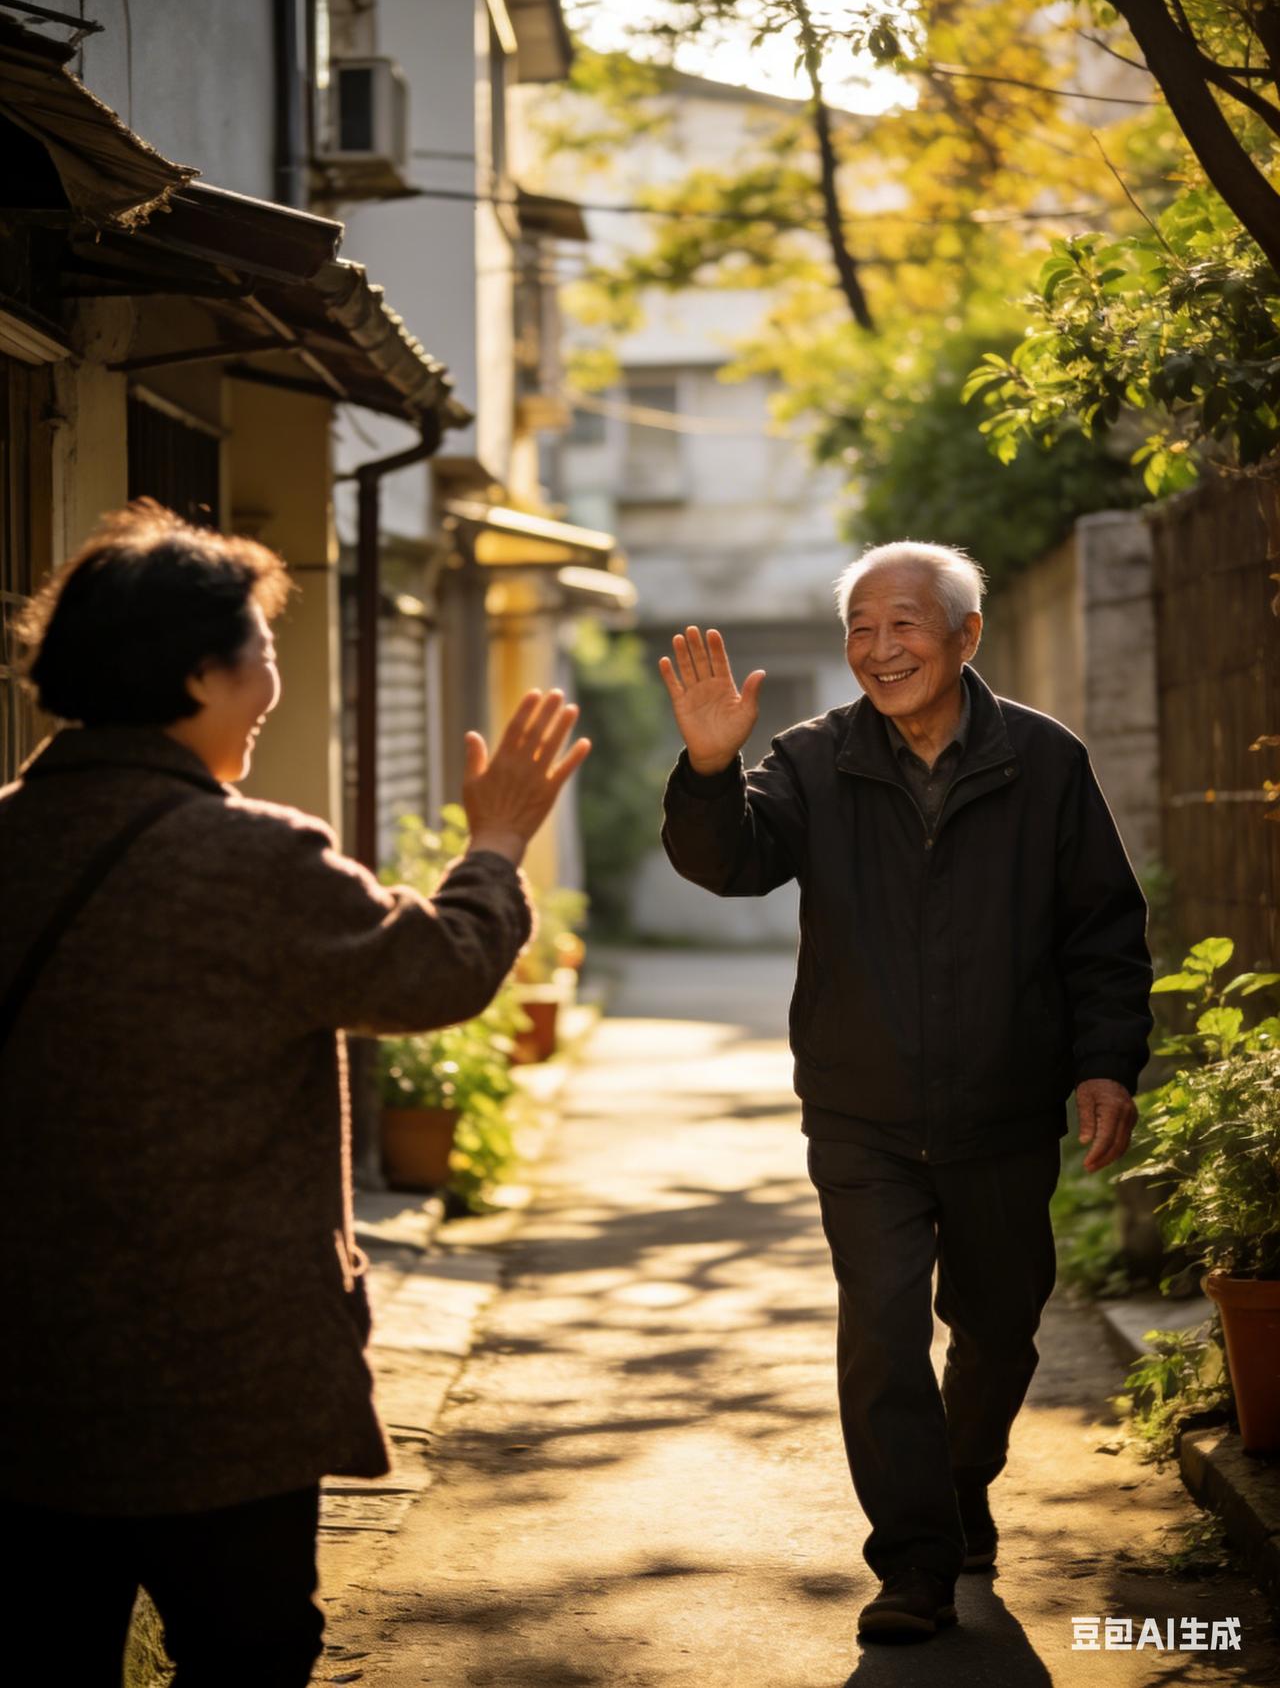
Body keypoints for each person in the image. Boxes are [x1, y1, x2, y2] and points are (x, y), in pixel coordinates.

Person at [0, 501, 589, 1686]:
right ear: (199, 672)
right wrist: (496, 844)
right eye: (262, 646)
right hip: (220, 1376)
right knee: (246, 1652)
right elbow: (438, 969)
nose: (275, 675)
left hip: (23, 1369)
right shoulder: (253, 856)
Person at [658, 541, 1152, 1643]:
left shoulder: (1042, 760)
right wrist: (704, 773)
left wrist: (1105, 1059)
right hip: (860, 1109)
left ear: (964, 636)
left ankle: (958, 1478)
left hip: (1000, 1105)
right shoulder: (812, 758)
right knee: (880, 1330)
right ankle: (915, 1563)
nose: (879, 650)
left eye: (904, 626)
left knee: (999, 1323)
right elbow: (730, 860)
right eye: (860, 629)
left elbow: (1101, 928)